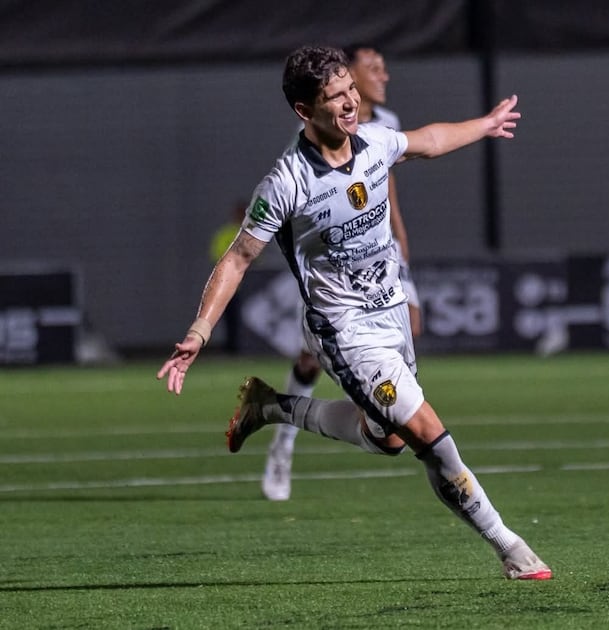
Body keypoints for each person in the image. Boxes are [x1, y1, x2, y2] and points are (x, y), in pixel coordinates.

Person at [157, 45, 551, 580]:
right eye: (336, 97)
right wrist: (200, 330)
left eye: (350, 91)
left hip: (391, 313)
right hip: (344, 330)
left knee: (389, 439)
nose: (350, 103)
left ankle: (272, 407)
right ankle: (512, 549)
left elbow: (429, 141)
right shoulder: (286, 183)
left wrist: (483, 125)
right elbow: (237, 259)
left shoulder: (375, 142)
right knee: (425, 430)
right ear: (304, 110)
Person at [261, 43, 421, 501]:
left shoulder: (383, 123)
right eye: (373, 68)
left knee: (412, 324)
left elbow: (384, 184)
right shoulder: (315, 129)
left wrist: (400, 243)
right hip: (330, 268)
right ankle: (283, 444)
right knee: (310, 358)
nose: (383, 75)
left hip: (378, 255)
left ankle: (373, 407)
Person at [208, 200, 248, 354]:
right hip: (228, 284)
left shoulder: (250, 232)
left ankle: (241, 346)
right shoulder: (226, 233)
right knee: (229, 317)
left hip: (246, 285)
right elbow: (218, 255)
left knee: (243, 317)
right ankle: (231, 347)